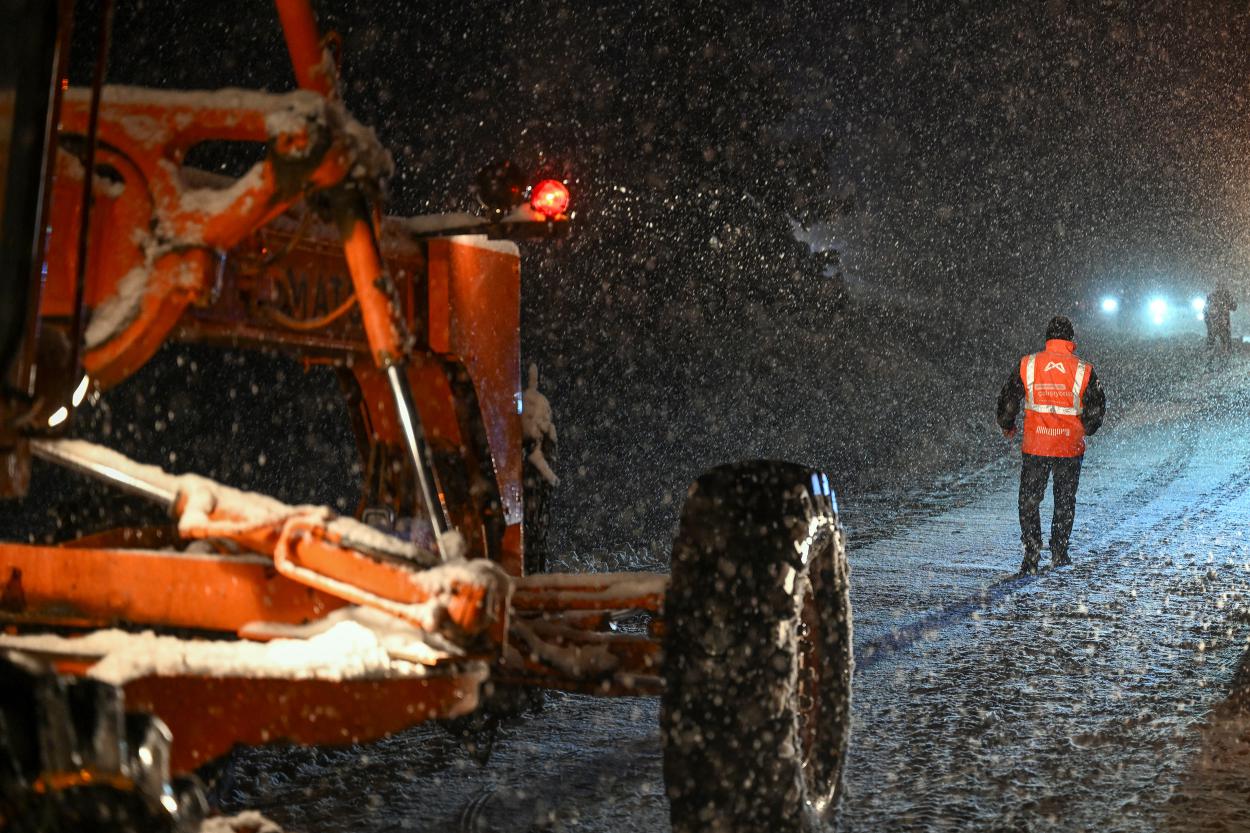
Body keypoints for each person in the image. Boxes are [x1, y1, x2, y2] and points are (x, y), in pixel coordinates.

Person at [996, 316, 1106, 574]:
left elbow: (1009, 397)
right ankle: (1059, 552)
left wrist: (1006, 422)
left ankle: (1032, 552)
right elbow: (1097, 407)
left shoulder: (1029, 365)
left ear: (1047, 339)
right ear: (1071, 340)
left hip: (1037, 446)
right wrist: (1087, 428)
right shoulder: (1083, 370)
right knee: (1065, 500)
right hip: (1069, 447)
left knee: (1029, 501)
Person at [1205, 283, 1237, 360]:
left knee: (1213, 341)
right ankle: (1224, 357)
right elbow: (1234, 307)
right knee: (1225, 341)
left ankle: (1211, 357)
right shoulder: (1225, 295)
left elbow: (1205, 311)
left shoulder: (1212, 296)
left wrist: (1208, 323)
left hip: (1216, 324)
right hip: (1222, 323)